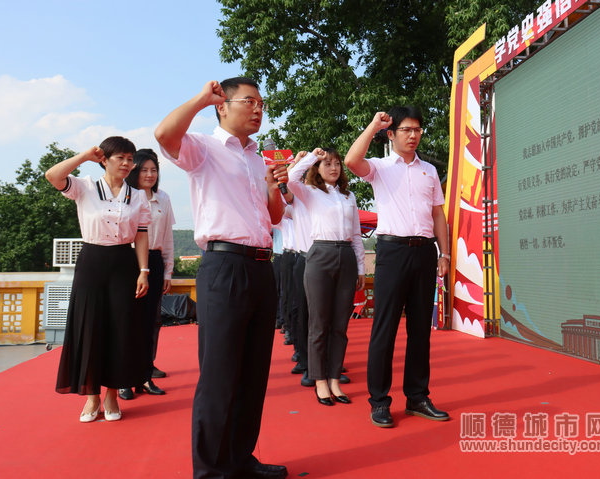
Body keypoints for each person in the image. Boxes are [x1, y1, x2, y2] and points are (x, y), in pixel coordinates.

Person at [155, 77, 288, 479]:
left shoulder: (256, 158)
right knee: (219, 374)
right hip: (223, 268)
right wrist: (199, 97)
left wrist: (274, 188)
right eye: (249, 101)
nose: (258, 109)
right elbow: (163, 133)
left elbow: (275, 218)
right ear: (222, 106)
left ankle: (241, 460)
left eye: (262, 103)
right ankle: (212, 471)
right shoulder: (205, 148)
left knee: (253, 373)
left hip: (262, 265)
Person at [344, 107, 451, 427]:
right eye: (406, 130)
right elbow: (351, 161)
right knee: (385, 329)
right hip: (391, 252)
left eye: (418, 129)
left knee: (420, 330)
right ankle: (379, 401)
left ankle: (417, 396)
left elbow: (438, 216)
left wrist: (444, 254)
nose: (414, 135)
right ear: (391, 135)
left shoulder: (429, 171)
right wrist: (373, 125)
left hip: (425, 253)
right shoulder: (379, 167)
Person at [46, 136, 151, 423]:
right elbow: (53, 176)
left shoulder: (138, 196)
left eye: (131, 159)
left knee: (120, 328)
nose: (128, 164)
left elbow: (142, 234)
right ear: (104, 159)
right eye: (121, 158)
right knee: (89, 326)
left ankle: (112, 394)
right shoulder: (86, 186)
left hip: (123, 263)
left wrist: (144, 271)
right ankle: (92, 396)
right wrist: (84, 156)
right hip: (91, 261)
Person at [287, 148, 365, 406]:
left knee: (340, 325)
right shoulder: (310, 193)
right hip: (319, 254)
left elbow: (355, 234)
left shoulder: (348, 196)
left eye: (337, 164)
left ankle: (334, 377)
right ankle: (319, 379)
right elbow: (290, 178)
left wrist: (361, 268)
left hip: (346, 257)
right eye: (327, 164)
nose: (333, 168)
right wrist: (312, 156)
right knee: (319, 323)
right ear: (318, 169)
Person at [118, 149, 175, 400]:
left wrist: (168, 271)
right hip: (129, 262)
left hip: (154, 260)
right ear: (134, 171)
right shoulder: (125, 196)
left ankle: (144, 375)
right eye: (144, 170)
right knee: (127, 322)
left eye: (154, 170)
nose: (150, 174)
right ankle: (122, 379)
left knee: (151, 322)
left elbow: (168, 239)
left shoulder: (163, 198)